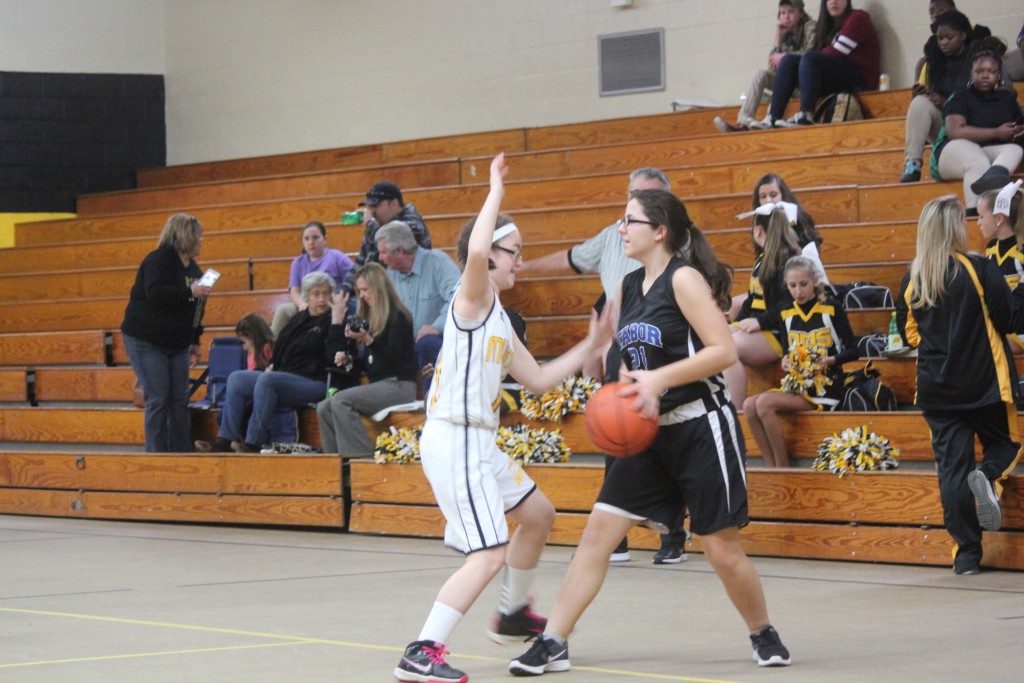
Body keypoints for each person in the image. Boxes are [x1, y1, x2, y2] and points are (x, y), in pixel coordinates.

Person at [508, 188, 791, 676]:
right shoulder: (626, 287)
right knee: (597, 534)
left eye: (629, 221)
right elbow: (626, 361)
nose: (621, 230)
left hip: (700, 425)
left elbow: (723, 351)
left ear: (659, 231)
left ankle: (762, 630)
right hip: (646, 434)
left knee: (720, 547)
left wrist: (660, 380)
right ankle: (553, 641)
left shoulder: (684, 279)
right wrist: (614, 392)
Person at [393, 153, 614, 683]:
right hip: (456, 439)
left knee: (538, 513)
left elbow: (537, 379)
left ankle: (512, 612)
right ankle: (422, 650)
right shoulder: (471, 299)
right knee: (487, 554)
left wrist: (592, 341)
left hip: (480, 444)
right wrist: (495, 189)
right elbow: (473, 246)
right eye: (513, 252)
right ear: (489, 255)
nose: (520, 261)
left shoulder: (497, 316)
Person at [518, 167, 677, 564]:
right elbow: (573, 259)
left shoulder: (681, 243)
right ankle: (615, 536)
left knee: (665, 437)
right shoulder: (612, 236)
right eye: (636, 197)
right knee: (616, 434)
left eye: (651, 198)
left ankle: (672, 533)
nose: (640, 205)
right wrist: (525, 267)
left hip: (663, 349)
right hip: (619, 345)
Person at [895, 194, 1024, 575]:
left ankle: (967, 554)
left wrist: (942, 345)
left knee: (951, 470)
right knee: (1007, 443)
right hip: (986, 383)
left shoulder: (912, 278)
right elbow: (1011, 318)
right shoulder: (980, 268)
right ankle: (986, 478)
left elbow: (909, 335)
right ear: (954, 229)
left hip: (936, 389)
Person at [194, 272, 335, 453]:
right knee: (237, 378)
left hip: (313, 380)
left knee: (267, 381)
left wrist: (338, 323)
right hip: (285, 375)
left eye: (326, 293)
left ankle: (253, 443)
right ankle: (224, 440)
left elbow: (332, 355)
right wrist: (273, 364)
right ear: (307, 296)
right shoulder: (298, 319)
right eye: (316, 294)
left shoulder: (334, 321)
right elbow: (282, 345)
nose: (321, 299)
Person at [741, 256, 857, 467]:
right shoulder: (785, 312)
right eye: (792, 286)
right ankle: (771, 466)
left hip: (826, 387)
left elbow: (854, 350)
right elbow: (787, 352)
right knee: (749, 405)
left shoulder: (832, 308)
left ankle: (782, 469)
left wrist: (829, 360)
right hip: (798, 386)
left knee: (764, 404)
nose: (798, 291)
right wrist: (786, 361)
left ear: (815, 280)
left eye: (803, 284)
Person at [121, 213, 211, 452]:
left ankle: (181, 453)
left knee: (179, 399)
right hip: (146, 339)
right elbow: (156, 294)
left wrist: (195, 340)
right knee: (159, 398)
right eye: (198, 235)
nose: (201, 240)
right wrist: (190, 292)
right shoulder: (157, 260)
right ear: (185, 236)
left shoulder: (193, 268)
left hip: (177, 342)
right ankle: (156, 455)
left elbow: (196, 308)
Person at [316, 263, 419, 456]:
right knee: (323, 407)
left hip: (400, 385)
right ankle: (335, 464)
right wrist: (349, 361)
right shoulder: (372, 318)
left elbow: (393, 360)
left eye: (365, 290)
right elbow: (373, 365)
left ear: (378, 287)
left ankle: (360, 462)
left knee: (340, 401)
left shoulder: (399, 316)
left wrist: (368, 339)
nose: (361, 295)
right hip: (381, 384)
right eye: (359, 290)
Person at [723, 202, 803, 408]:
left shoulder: (786, 261)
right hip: (764, 327)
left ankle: (737, 414)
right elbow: (752, 300)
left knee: (727, 349)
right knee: (718, 337)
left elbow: (788, 306)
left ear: (758, 230)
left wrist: (759, 322)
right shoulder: (763, 259)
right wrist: (737, 324)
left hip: (779, 333)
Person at [752, 0, 879, 129]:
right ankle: (772, 117)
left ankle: (806, 116)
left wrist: (808, 59)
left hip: (860, 79)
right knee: (788, 61)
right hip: (837, 76)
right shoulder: (827, 26)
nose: (833, 1)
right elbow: (818, 56)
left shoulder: (857, 18)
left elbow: (837, 52)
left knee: (809, 59)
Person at [374, 220, 460, 394]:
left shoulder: (437, 262)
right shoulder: (389, 276)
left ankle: (433, 402)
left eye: (383, 252)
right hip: (406, 346)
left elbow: (458, 298)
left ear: (399, 251)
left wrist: (437, 326)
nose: (379, 258)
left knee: (426, 343)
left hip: (441, 340)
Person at [713, 0, 817, 133]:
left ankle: (769, 119)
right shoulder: (785, 33)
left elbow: (812, 53)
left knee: (772, 108)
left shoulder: (810, 26)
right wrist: (778, 38)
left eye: (791, 12)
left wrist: (785, 56)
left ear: (801, 13)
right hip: (786, 85)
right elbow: (773, 68)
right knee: (759, 74)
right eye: (782, 13)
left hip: (804, 85)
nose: (786, 16)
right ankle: (743, 122)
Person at [900, 10, 979, 183]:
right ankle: (912, 164)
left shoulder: (976, 62)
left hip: (972, 128)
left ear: (963, 35)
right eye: (939, 38)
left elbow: (979, 105)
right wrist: (922, 94)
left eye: (949, 37)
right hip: (945, 128)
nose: (943, 43)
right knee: (920, 103)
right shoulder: (935, 61)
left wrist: (946, 103)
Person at [270, 221, 353, 337]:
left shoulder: (337, 257)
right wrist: (302, 304)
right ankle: (270, 349)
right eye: (306, 239)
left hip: (330, 302)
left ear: (325, 239)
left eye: (315, 238)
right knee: (283, 310)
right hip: (306, 304)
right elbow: (294, 290)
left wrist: (340, 298)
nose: (311, 242)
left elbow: (354, 277)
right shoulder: (297, 263)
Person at [345, 181, 431, 289]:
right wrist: (344, 291)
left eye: (376, 205)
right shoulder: (377, 225)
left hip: (408, 289)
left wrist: (371, 225)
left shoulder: (413, 224)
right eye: (370, 207)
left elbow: (384, 258)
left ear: (394, 204)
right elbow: (359, 264)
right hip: (373, 291)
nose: (372, 211)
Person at [979, 180, 1024, 353]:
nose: (978, 222)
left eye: (982, 216)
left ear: (999, 218)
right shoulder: (990, 249)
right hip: (1006, 322)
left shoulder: (1021, 249)